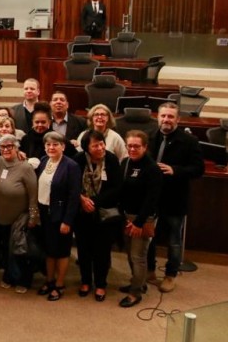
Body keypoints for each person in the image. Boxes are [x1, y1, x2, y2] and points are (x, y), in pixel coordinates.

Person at [147, 102, 204, 293]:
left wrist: (175, 170)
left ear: (178, 119)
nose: (166, 120)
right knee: (149, 238)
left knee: (174, 240)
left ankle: (170, 275)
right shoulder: (150, 136)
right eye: (163, 116)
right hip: (153, 198)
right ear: (158, 117)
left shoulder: (189, 141)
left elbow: (198, 169)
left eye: (171, 117)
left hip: (175, 198)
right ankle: (149, 271)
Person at [73, 129, 123, 302]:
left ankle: (101, 284)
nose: (101, 147)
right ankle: (85, 281)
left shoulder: (111, 159)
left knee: (102, 250)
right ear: (87, 147)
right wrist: (81, 199)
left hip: (104, 213)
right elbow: (71, 183)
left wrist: (93, 201)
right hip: (82, 213)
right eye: (96, 145)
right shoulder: (79, 159)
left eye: (102, 143)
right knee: (83, 249)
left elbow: (117, 188)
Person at [34, 131, 82, 301]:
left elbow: (74, 196)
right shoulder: (43, 161)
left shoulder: (71, 166)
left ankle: (60, 284)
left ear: (63, 146)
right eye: (48, 144)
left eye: (55, 144)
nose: (51, 147)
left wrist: (67, 221)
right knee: (49, 250)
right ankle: (49, 280)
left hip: (61, 216)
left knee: (61, 251)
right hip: (45, 214)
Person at [118, 130, 162, 308]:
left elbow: (151, 200)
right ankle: (139, 282)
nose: (132, 149)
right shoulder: (125, 162)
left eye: (137, 146)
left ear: (145, 147)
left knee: (138, 256)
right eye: (129, 146)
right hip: (126, 216)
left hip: (142, 218)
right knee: (130, 254)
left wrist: (138, 223)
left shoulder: (152, 169)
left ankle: (135, 293)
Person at [0, 133, 38, 294]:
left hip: (20, 218)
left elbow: (33, 194)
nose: (6, 149)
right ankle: (9, 275)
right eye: (3, 146)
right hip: (1, 216)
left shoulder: (25, 167)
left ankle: (24, 279)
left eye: (9, 146)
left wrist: (33, 216)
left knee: (19, 250)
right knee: (6, 249)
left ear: (17, 148)